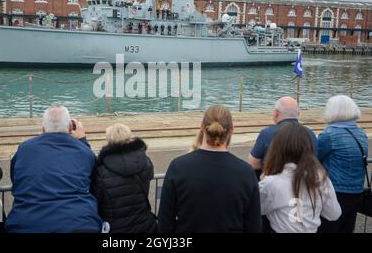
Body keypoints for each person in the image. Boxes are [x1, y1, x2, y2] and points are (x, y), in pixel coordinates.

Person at [158, 105, 261, 233]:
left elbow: (165, 222)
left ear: (202, 126)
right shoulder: (246, 172)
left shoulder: (178, 166)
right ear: (232, 129)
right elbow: (254, 226)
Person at [6, 105, 102, 233]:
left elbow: (15, 178)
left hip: (27, 224)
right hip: (79, 223)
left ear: (43, 128)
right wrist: (82, 140)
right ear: (70, 128)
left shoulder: (25, 149)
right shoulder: (84, 151)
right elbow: (92, 179)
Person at [259, 122, 341, 233]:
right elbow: (333, 214)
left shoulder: (271, 183)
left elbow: (257, 210)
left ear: (276, 149)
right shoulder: (320, 177)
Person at [91, 123, 158, 233]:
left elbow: (96, 198)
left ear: (109, 140)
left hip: (115, 227)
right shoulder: (145, 162)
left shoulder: (101, 170)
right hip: (145, 224)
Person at [317, 95, 368, 233]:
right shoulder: (361, 134)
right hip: (357, 192)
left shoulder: (329, 135)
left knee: (328, 228)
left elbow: (313, 158)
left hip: (335, 193)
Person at [248, 96, 318, 178]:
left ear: (276, 113)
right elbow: (315, 161)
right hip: (304, 182)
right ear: (298, 114)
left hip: (273, 182)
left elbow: (253, 163)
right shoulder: (310, 134)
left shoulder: (267, 133)